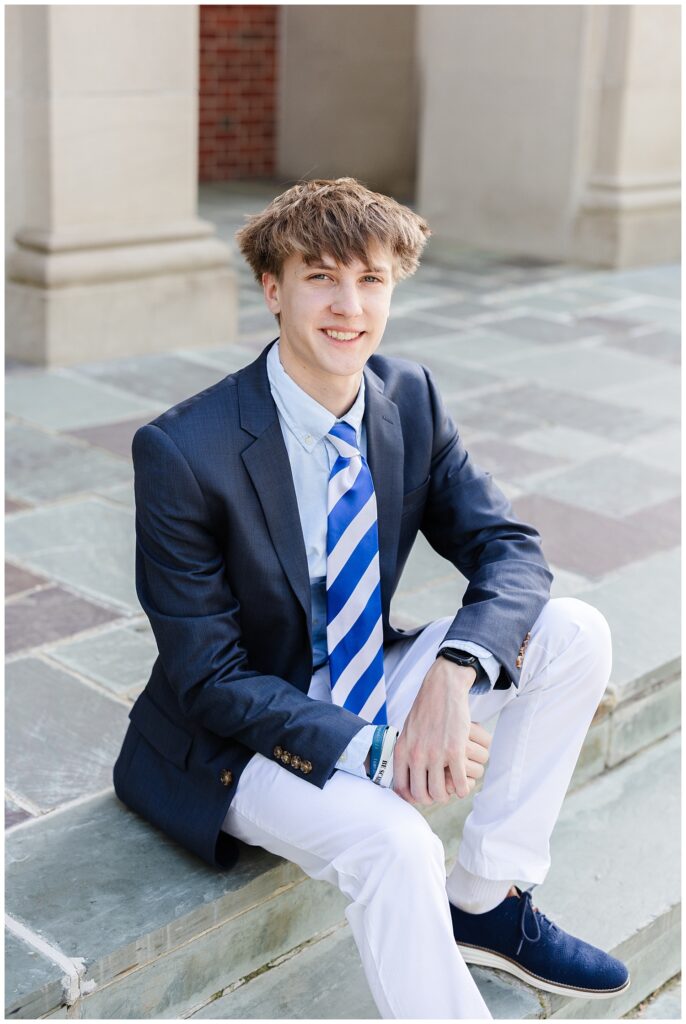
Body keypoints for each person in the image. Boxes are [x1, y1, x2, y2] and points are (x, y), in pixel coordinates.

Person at [113, 177, 630, 1019]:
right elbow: (209, 678)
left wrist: (455, 670)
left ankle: (489, 902)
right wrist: (381, 753)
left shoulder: (407, 398)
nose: (348, 306)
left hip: (362, 671)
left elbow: (509, 549)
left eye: (372, 279)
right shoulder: (183, 451)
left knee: (573, 631)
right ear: (273, 289)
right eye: (320, 276)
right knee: (396, 843)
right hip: (233, 739)